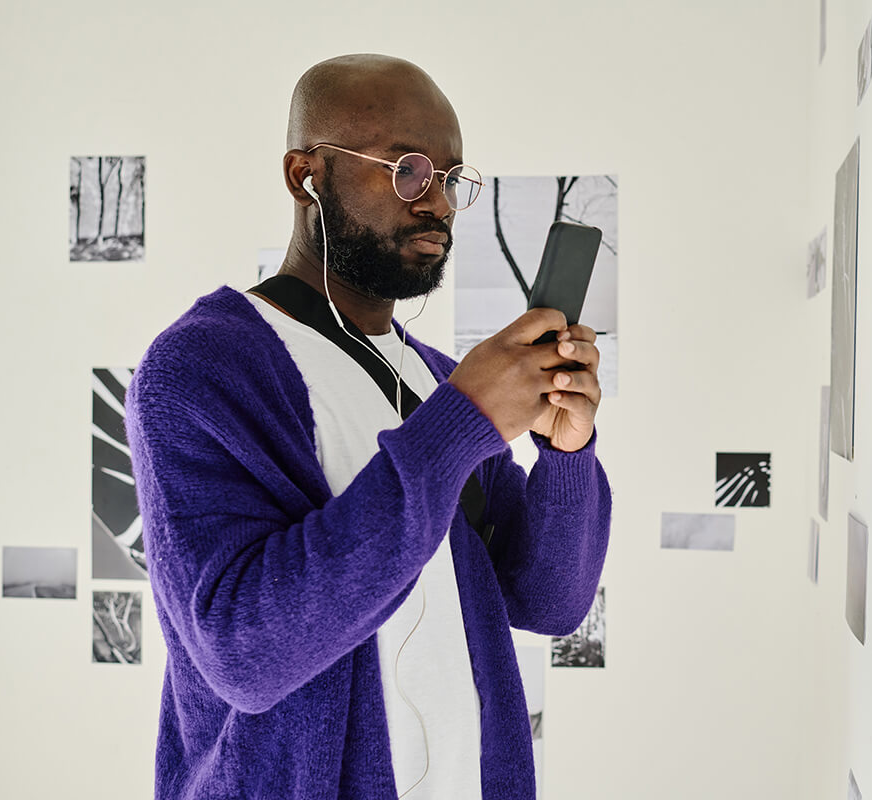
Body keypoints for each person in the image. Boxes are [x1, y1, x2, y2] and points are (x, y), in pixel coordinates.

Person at [125, 53, 611, 800]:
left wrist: (567, 452)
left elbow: (547, 599)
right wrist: (462, 423)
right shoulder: (202, 365)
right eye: (407, 169)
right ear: (305, 175)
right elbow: (242, 654)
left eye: (452, 179)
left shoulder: (438, 377)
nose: (439, 203)